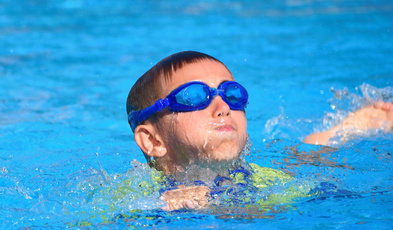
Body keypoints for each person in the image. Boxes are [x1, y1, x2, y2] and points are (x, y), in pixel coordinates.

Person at [126, 51, 393, 210]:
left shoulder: (266, 177)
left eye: (232, 94)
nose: (222, 107)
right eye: (194, 97)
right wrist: (166, 206)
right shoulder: (140, 196)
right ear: (152, 141)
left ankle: (335, 133)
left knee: (305, 160)